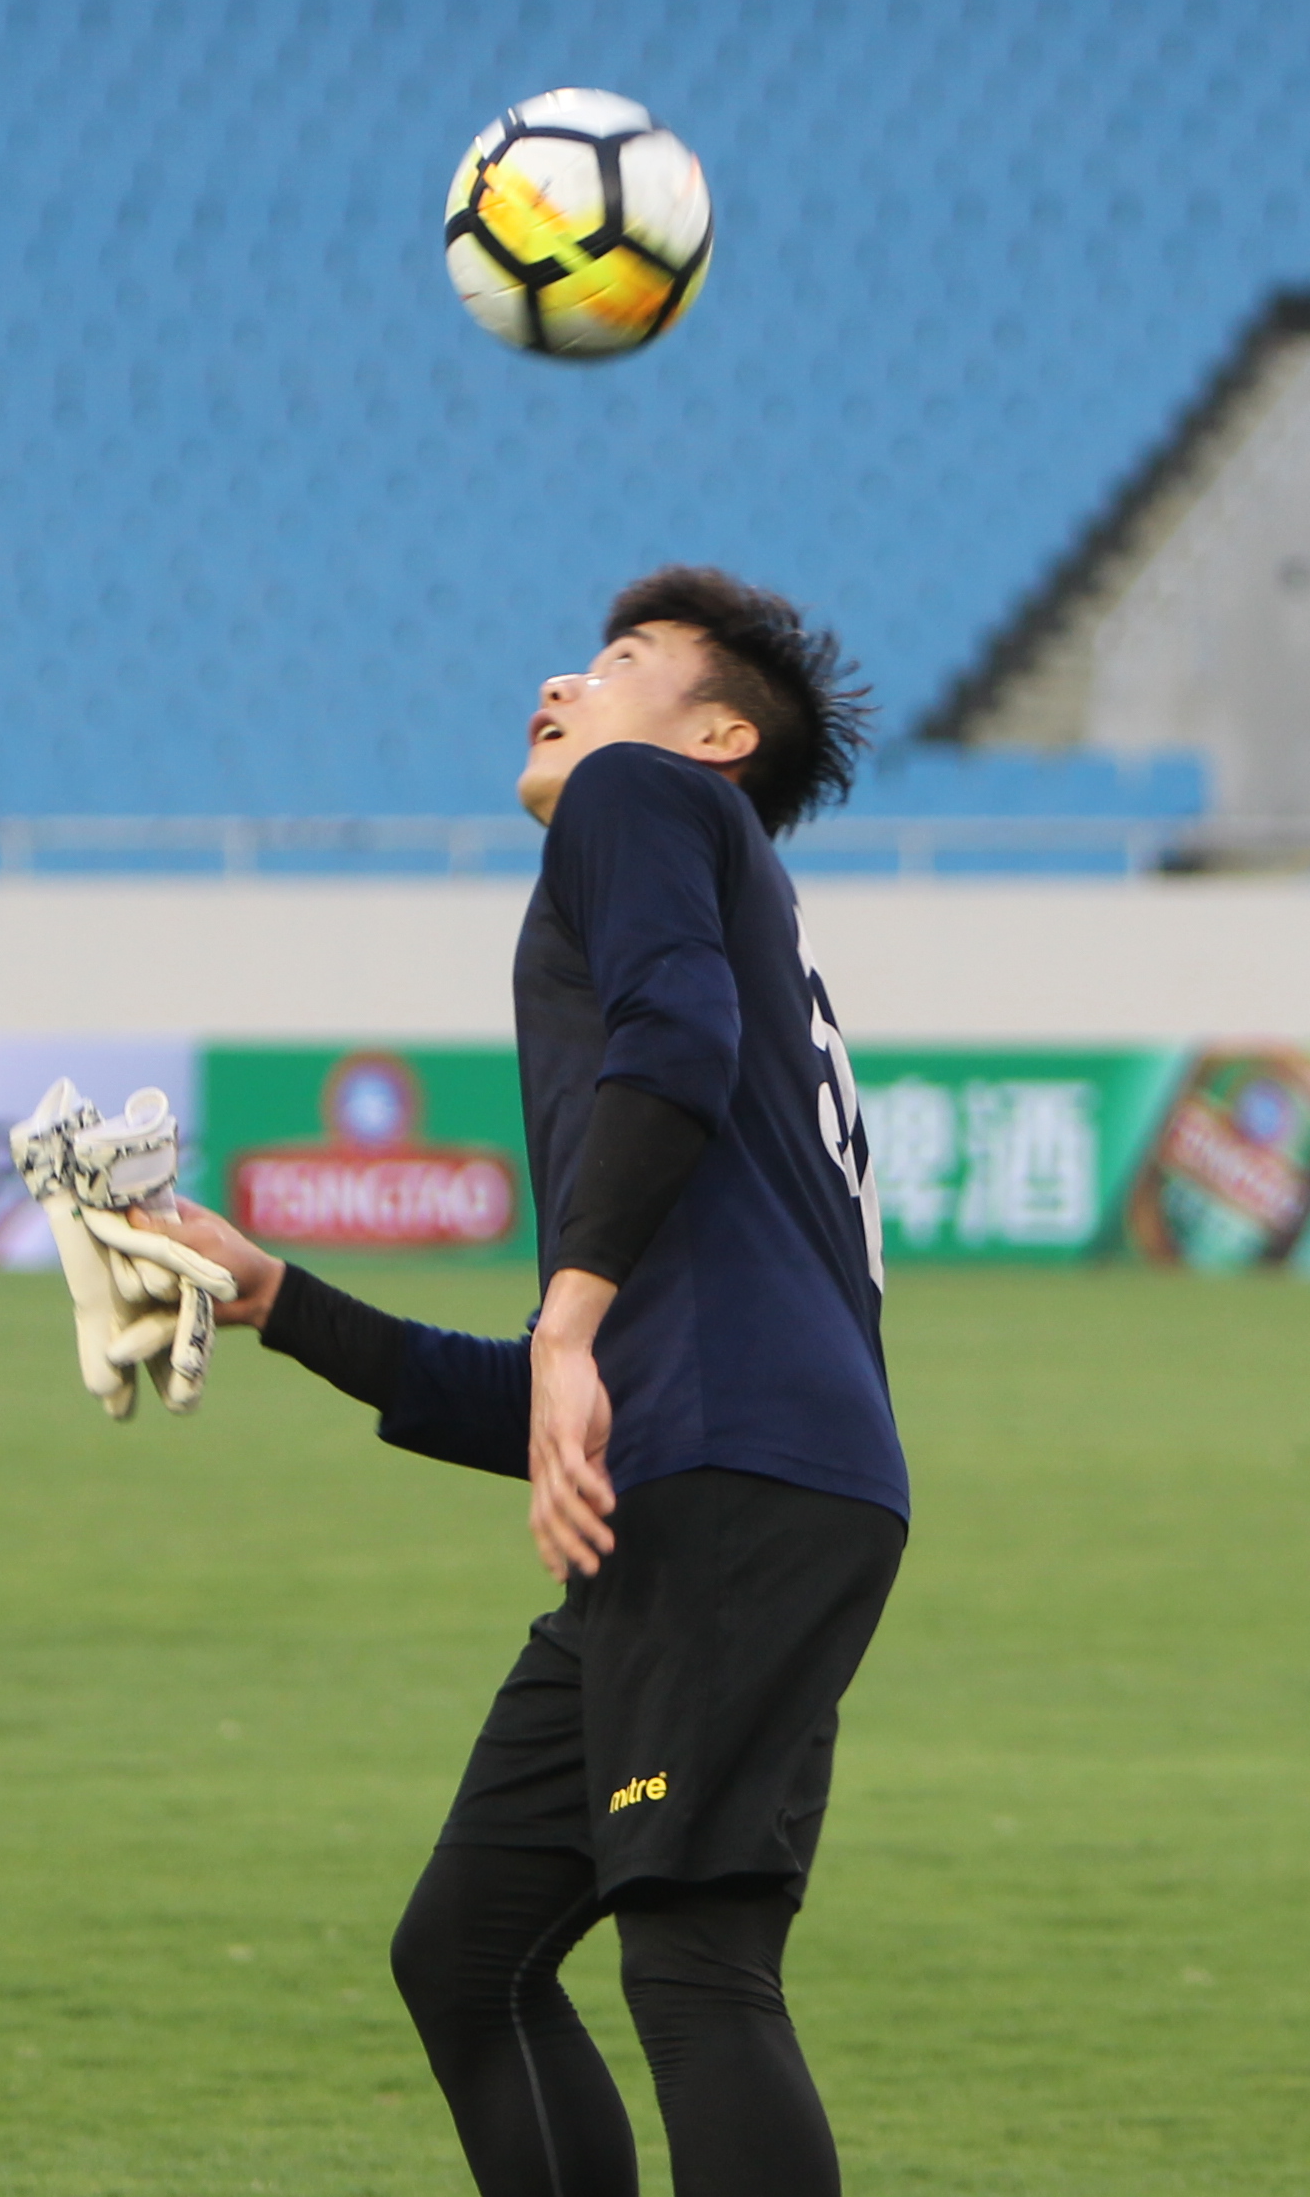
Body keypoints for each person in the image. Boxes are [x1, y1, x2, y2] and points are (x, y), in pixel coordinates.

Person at [147, 564, 904, 2197]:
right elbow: (571, 1414)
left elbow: (672, 1049)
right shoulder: (712, 882)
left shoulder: (639, 801)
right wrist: (275, 1294)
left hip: (733, 1494)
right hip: (722, 1485)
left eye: (622, 659)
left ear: (713, 733)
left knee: (695, 1965)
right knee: (467, 1955)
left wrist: (569, 1326)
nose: (564, 681)